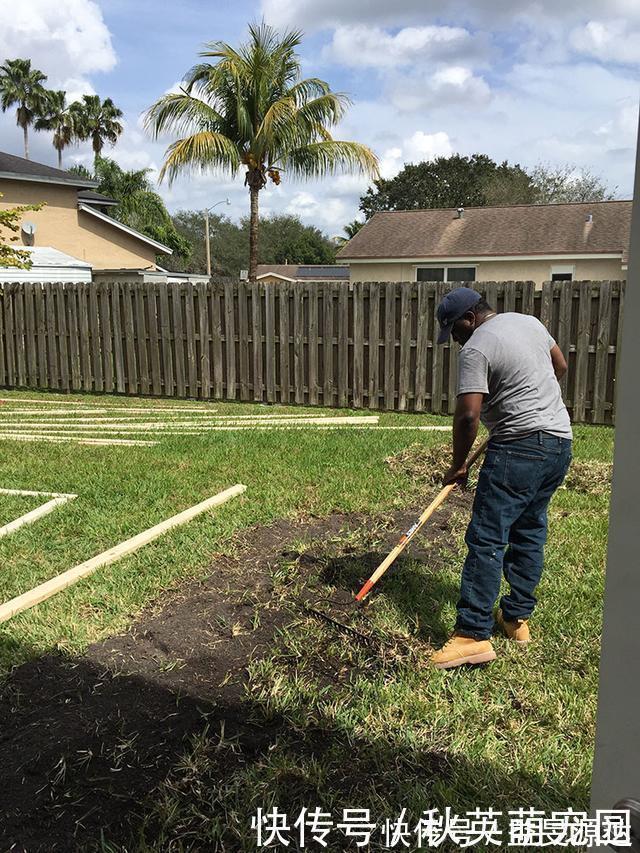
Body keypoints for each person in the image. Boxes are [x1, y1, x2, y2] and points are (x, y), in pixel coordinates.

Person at [429, 287, 572, 669]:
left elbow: (467, 416)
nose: (456, 339)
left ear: (470, 318)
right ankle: (516, 618)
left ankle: (472, 635)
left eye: (454, 330)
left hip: (518, 449)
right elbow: (560, 368)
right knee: (530, 529)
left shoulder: (476, 346)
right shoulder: (531, 323)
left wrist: (458, 466)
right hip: (559, 444)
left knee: (487, 536)